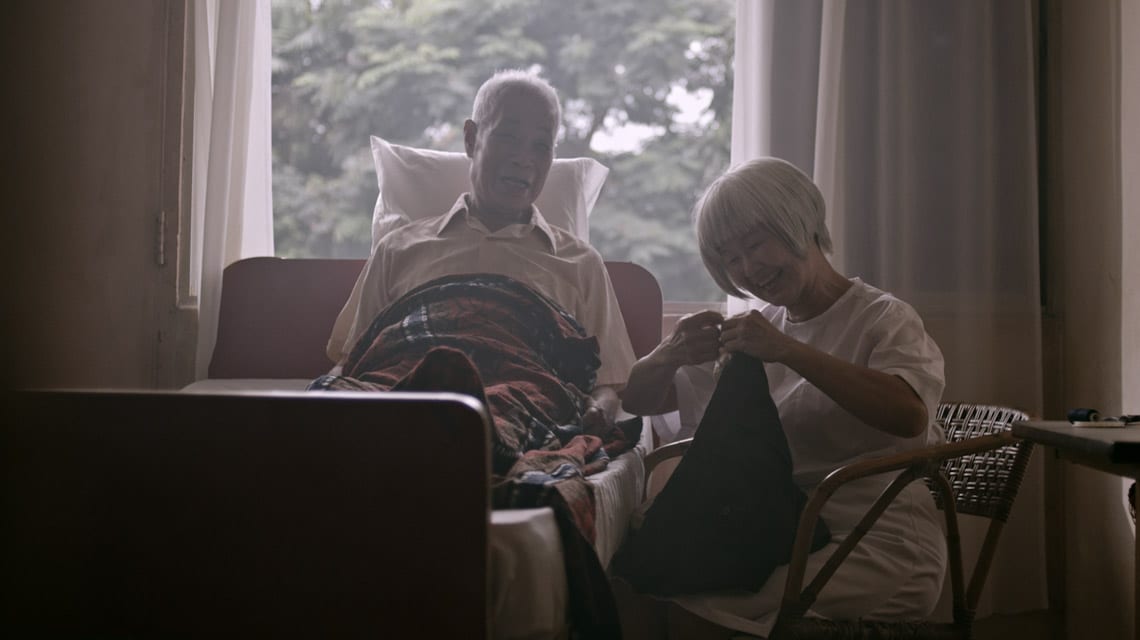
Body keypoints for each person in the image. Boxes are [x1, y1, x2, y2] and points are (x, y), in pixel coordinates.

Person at [614, 157, 948, 638]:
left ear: (801, 222)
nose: (749, 268)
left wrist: (788, 351)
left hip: (878, 537)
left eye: (755, 244)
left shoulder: (883, 319)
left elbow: (909, 414)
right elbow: (643, 399)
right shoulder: (758, 331)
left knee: (692, 611)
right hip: (781, 531)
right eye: (730, 258)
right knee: (641, 585)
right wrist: (669, 352)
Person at [325, 69, 636, 430]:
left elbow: (608, 385)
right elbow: (354, 362)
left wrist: (597, 412)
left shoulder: (581, 263)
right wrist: (325, 399)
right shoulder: (398, 248)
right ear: (471, 139)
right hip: (402, 402)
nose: (524, 159)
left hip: (517, 408)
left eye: (540, 146)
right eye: (508, 137)